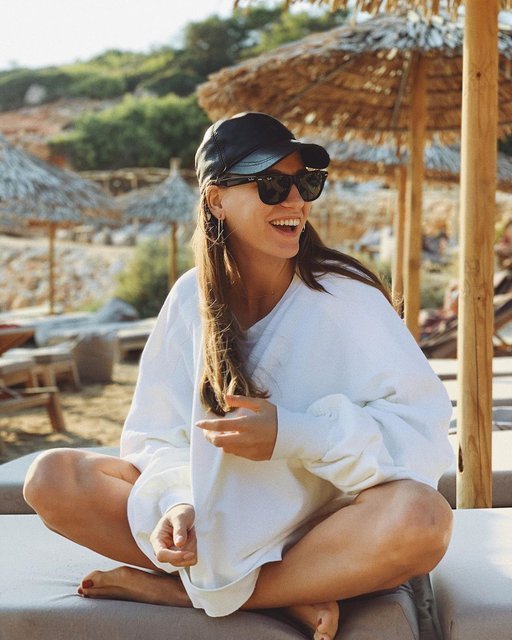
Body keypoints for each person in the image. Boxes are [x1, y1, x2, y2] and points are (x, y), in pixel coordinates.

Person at [24, 112, 454, 640]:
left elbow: (422, 438)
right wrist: (175, 502)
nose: (295, 201)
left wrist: (294, 435)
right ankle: (283, 592)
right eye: (272, 185)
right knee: (51, 478)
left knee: (423, 518)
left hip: (322, 534)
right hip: (213, 525)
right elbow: (155, 436)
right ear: (216, 200)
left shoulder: (347, 297)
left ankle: (188, 593)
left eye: (306, 183)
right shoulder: (190, 299)